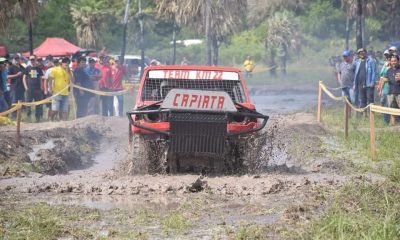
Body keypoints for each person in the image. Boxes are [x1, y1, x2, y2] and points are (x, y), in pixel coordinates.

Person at [23, 56, 44, 122]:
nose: (32, 61)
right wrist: (26, 87)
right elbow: (24, 78)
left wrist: (41, 86)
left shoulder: (38, 68)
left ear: (35, 60)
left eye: (33, 59)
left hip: (37, 89)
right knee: (28, 105)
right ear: (29, 60)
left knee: (38, 104)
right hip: (29, 89)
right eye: (31, 60)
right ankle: (28, 119)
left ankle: (38, 118)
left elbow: (41, 78)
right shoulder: (27, 68)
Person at [383, 54, 400, 124]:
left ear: (398, 61)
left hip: (399, 93)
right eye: (392, 61)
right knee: (392, 110)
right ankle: (393, 125)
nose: (393, 62)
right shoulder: (388, 70)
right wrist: (385, 80)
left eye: (395, 61)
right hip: (391, 93)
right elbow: (385, 78)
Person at [377, 50, 392, 123]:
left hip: (390, 87)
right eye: (385, 55)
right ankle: (386, 120)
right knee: (384, 102)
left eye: (388, 55)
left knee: (389, 104)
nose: (387, 57)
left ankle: (390, 120)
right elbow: (381, 77)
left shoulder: (393, 65)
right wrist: (380, 88)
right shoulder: (384, 64)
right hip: (384, 87)